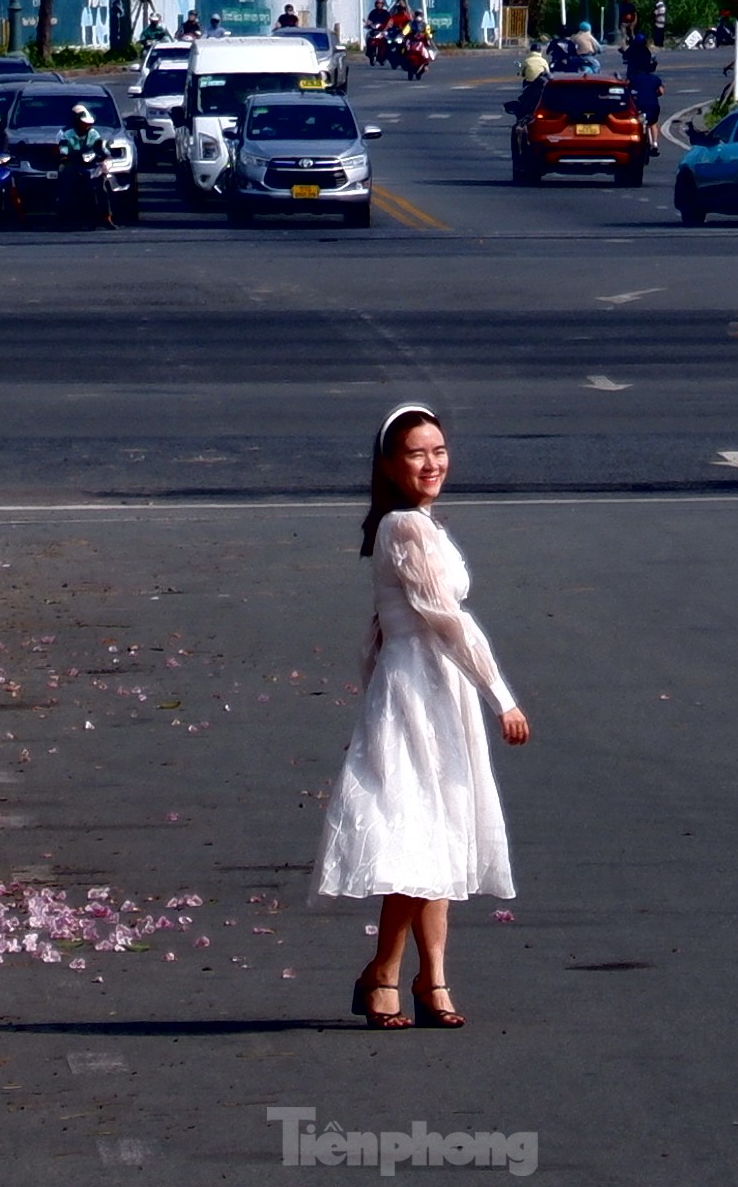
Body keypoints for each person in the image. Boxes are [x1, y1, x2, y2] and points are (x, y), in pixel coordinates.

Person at [317, 403, 527, 1028]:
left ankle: (432, 979)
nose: (432, 462)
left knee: (442, 831)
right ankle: (383, 971)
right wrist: (502, 696)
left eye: (438, 450)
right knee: (415, 834)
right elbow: (444, 619)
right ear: (389, 465)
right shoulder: (403, 527)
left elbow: (384, 627)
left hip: (437, 688)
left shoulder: (421, 525)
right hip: (418, 690)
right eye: (416, 453)